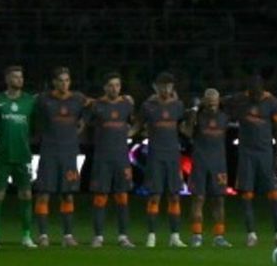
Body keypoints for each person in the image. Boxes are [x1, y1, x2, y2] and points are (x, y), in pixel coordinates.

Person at [227, 75, 277, 248]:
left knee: (274, 194)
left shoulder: (273, 102)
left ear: (262, 90)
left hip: (265, 153)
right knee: (246, 194)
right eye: (251, 93)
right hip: (246, 153)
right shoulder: (241, 99)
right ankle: (251, 235)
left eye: (256, 93)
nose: (253, 97)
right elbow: (222, 102)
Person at [0, 65, 38, 249]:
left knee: (26, 195)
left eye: (21, 77)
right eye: (15, 77)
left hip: (23, 155)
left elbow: (37, 124)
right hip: (2, 156)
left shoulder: (30, 101)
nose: (19, 80)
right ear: (7, 79)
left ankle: (26, 236)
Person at [32, 67, 86, 247]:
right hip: (49, 152)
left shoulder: (77, 99)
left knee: (68, 195)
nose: (64, 84)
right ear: (54, 82)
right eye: (61, 80)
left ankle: (68, 235)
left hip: (69, 153)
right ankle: (43, 235)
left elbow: (97, 104)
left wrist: (127, 99)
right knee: (43, 194)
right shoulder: (43, 99)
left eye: (67, 80)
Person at [84, 73, 136, 248]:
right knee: (100, 196)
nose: (114, 88)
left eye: (117, 85)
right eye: (111, 85)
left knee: (122, 197)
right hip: (102, 158)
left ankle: (123, 236)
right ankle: (98, 236)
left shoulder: (127, 105)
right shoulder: (97, 106)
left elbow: (135, 123)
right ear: (105, 87)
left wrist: (130, 133)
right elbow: (84, 125)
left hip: (121, 157)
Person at [139, 72, 187, 248]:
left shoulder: (178, 106)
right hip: (155, 155)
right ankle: (151, 235)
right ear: (155, 86)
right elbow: (138, 126)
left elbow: (184, 128)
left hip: (173, 155)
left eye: (169, 85)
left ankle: (174, 236)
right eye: (162, 85)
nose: (166, 89)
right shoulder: (148, 106)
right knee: (155, 196)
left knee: (174, 195)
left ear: (173, 87)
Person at [184, 88, 230, 247]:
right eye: (209, 103)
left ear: (218, 102)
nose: (212, 106)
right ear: (204, 102)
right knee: (198, 198)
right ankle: (197, 235)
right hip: (200, 163)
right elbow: (188, 133)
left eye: (214, 102)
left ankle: (219, 236)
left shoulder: (224, 118)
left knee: (219, 200)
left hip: (219, 164)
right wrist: (193, 113)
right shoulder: (198, 117)